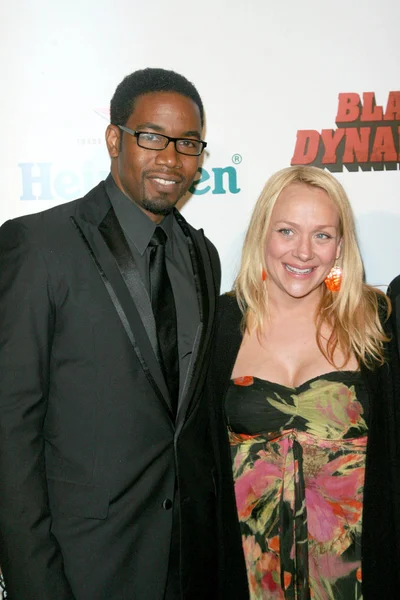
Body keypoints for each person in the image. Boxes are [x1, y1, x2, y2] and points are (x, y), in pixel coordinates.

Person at [0, 67, 247, 600]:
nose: (170, 158)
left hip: (191, 563)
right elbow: (9, 435)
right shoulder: (38, 247)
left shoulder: (202, 255)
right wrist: (34, 583)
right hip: (85, 566)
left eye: (188, 144)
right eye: (152, 137)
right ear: (115, 139)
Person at [210, 166, 400, 599]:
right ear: (263, 234)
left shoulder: (377, 323)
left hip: (357, 582)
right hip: (247, 580)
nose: (303, 252)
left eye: (322, 235)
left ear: (340, 246)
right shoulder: (217, 328)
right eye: (287, 231)